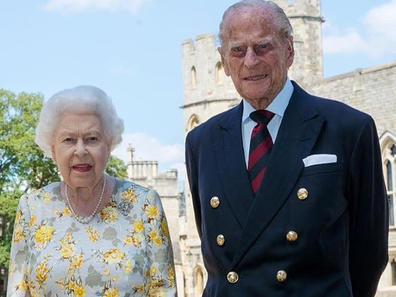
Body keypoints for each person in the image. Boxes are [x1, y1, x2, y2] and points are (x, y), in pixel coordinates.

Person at [185, 1, 389, 297]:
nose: (250, 61)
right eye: (238, 50)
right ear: (224, 61)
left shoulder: (349, 128)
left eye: (263, 47)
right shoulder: (201, 141)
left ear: (289, 50)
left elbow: (370, 251)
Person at [7, 86, 177, 297]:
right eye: (68, 140)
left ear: (109, 145)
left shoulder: (144, 204)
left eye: (92, 139)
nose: (80, 150)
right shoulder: (31, 208)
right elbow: (17, 291)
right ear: (52, 149)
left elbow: (164, 291)